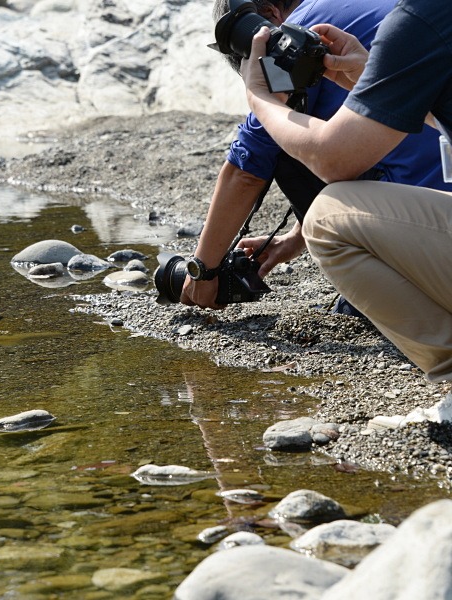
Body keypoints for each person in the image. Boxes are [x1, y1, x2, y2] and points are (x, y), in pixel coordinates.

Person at [181, 0, 452, 312]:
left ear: (267, 18)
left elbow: (247, 170)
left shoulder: (298, 33)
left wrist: (203, 270)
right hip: (439, 202)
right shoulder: (366, 13)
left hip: (430, 229)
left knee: (293, 158)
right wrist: (294, 239)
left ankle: (401, 306)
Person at [237, 0, 452, 381]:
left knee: (327, 217)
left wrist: (259, 98)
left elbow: (331, 160)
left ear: (270, 14)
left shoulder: (423, 16)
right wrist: (369, 74)